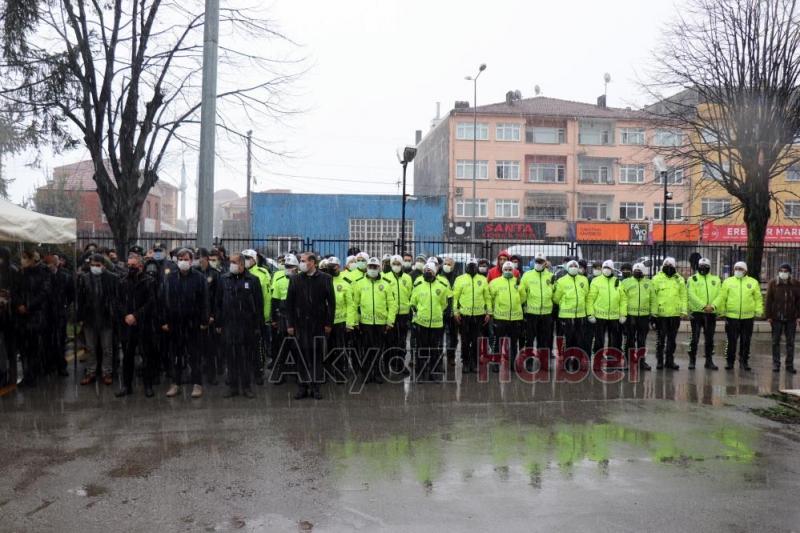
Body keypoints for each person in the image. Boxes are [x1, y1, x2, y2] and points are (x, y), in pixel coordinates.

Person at [286, 252, 335, 400]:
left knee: (316, 356)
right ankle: (302, 386)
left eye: (304, 260)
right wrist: (290, 324)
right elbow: (289, 304)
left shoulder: (325, 279)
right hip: (300, 325)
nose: (301, 263)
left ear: (312, 262)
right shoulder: (295, 279)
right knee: (301, 356)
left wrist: (328, 323)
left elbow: (331, 304)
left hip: (318, 324)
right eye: (300, 260)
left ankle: (315, 387)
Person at [161, 248, 208, 398]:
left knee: (195, 356)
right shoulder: (171, 278)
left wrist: (204, 320)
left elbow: (204, 301)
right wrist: (164, 320)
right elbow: (164, 299)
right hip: (176, 323)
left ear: (192, 260)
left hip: (193, 323)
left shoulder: (199, 278)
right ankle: (176, 384)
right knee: (176, 355)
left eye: (186, 259)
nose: (183, 262)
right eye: (180, 259)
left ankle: (197, 384)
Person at [216, 253, 263, 398]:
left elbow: (259, 304)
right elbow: (218, 302)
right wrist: (219, 323)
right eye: (230, 262)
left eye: (234, 262)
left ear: (242, 264)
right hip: (229, 325)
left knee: (245, 358)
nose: (231, 264)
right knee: (231, 357)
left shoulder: (253, 280)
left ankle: (246, 386)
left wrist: (257, 326)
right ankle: (233, 387)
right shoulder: (224, 279)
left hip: (247, 326)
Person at [348, 257, 397, 384]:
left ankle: (377, 373)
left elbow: (392, 304)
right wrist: (354, 321)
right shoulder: (359, 283)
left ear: (379, 268)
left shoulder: (386, 283)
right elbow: (354, 304)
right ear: (367, 267)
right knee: (366, 349)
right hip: (365, 323)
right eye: (370, 267)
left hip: (381, 324)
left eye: (375, 267)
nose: (372, 269)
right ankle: (367, 374)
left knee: (378, 349)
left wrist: (390, 321)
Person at [116, 249, 157, 397]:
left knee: (147, 356)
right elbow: (119, 302)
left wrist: (136, 315)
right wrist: (126, 316)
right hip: (128, 325)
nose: (130, 268)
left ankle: (148, 385)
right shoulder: (123, 281)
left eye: (133, 265)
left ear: (140, 266)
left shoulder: (149, 281)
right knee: (127, 357)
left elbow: (151, 302)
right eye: (128, 265)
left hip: (143, 325)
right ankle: (127, 386)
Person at [713, 261, 763, 371]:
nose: (738, 271)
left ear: (745, 270)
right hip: (732, 317)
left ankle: (744, 362)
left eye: (740, 269)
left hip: (748, 317)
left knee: (746, 341)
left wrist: (758, 310)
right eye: (736, 268)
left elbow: (758, 298)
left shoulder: (753, 282)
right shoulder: (727, 282)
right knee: (731, 341)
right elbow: (722, 297)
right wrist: (721, 312)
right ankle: (729, 362)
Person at [76, 254, 117, 386]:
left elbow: (116, 298)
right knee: (90, 348)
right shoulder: (84, 278)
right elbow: (80, 299)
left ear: (103, 266)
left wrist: (113, 313)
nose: (94, 268)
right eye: (92, 265)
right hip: (90, 318)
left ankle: (107, 372)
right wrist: (80, 317)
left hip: (105, 317)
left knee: (107, 348)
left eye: (97, 265)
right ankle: (91, 372)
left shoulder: (112, 278)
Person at [15, 250, 52, 387]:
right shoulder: (20, 274)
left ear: (32, 260)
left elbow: (44, 293)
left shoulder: (43, 273)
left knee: (35, 348)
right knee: (24, 348)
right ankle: (27, 375)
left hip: (36, 316)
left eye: (25, 258)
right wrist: (19, 304)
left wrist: (28, 306)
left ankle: (34, 374)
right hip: (22, 317)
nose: (22, 261)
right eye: (22, 258)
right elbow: (15, 291)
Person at [410, 261, 449, 381]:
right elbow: (413, 303)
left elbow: (444, 304)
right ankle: (421, 373)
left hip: (437, 323)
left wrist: (436, 313)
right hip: (422, 323)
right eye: (426, 270)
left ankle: (433, 373)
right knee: (421, 349)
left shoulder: (441, 286)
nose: (428, 272)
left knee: (434, 349)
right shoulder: (418, 285)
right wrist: (419, 315)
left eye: (430, 270)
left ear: (435, 272)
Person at [453, 258, 491, 373]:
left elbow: (487, 297)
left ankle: (474, 362)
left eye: (474, 265)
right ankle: (465, 362)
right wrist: (455, 311)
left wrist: (489, 312)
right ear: (466, 266)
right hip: (464, 316)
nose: (472, 268)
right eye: (470, 265)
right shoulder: (460, 279)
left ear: (477, 267)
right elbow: (455, 297)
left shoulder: (483, 279)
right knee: (465, 340)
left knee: (476, 341)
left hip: (479, 316)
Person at [650, 257, 686, 370]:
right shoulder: (656, 279)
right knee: (660, 340)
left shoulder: (679, 279)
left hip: (675, 315)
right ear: (663, 265)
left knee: (672, 340)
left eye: (671, 265)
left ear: (674, 267)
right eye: (667, 264)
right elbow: (653, 297)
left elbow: (683, 296)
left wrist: (683, 310)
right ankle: (660, 361)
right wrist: (653, 313)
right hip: (661, 315)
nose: (669, 267)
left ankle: (670, 361)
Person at [553, 260, 590, 367]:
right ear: (567, 268)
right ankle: (567, 360)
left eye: (575, 266)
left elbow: (586, 295)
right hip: (566, 316)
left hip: (580, 315)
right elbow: (556, 298)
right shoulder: (561, 281)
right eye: (571, 266)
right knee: (568, 339)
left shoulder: (584, 279)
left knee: (579, 339)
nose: (574, 267)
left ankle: (576, 362)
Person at [587, 259, 627, 359]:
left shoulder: (617, 282)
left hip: (614, 316)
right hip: (600, 316)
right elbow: (590, 299)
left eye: (608, 268)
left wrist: (623, 314)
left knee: (614, 340)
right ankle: (598, 358)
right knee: (599, 340)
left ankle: (612, 358)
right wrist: (590, 314)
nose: (606, 270)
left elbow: (623, 299)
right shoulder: (596, 281)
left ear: (612, 269)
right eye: (604, 267)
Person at [243, 249, 271, 385]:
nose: (246, 260)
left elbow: (266, 297)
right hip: (242, 317)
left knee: (258, 346)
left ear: (254, 259)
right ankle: (244, 372)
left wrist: (265, 316)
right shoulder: (238, 274)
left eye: (248, 258)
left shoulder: (262, 273)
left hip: (257, 316)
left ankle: (258, 372)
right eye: (244, 257)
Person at [489, 261, 524, 371]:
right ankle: (496, 362)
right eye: (506, 269)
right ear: (502, 270)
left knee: (514, 342)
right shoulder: (495, 282)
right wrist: (493, 311)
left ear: (513, 270)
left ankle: (513, 363)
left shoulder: (518, 282)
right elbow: (491, 298)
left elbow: (523, 297)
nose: (508, 271)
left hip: (515, 317)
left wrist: (516, 305)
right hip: (500, 317)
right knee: (498, 341)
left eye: (510, 269)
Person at [686, 257, 721, 370]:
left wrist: (713, 306)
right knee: (694, 338)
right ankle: (692, 360)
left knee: (710, 338)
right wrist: (703, 306)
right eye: (701, 266)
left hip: (711, 313)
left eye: (705, 267)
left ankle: (709, 360)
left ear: (709, 267)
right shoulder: (692, 279)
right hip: (697, 313)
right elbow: (691, 294)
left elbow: (721, 295)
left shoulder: (716, 279)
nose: (703, 269)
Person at [520, 252, 555, 361]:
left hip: (546, 313)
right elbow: (522, 293)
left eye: (541, 261)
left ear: (545, 263)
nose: (538, 263)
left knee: (544, 339)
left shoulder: (550, 276)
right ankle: (529, 360)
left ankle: (543, 361)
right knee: (530, 339)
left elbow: (554, 293)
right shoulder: (527, 275)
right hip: (531, 313)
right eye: (537, 261)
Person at [765, 263, 799, 374]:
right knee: (775, 342)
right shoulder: (773, 283)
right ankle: (776, 364)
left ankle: (789, 365)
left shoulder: (796, 284)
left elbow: (799, 301)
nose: (783, 273)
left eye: (785, 271)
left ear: (789, 273)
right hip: (776, 317)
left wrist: (798, 316)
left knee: (790, 342)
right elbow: (768, 300)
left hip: (791, 318)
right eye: (781, 270)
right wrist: (768, 315)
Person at [270, 253, 299, 383]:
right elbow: (274, 301)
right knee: (282, 347)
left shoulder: (300, 280)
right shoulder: (279, 280)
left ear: (296, 267)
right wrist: (274, 319)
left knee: (297, 347)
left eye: (291, 266)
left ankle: (298, 372)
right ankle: (280, 373)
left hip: (297, 317)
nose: (288, 268)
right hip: (283, 316)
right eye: (286, 266)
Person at [383, 255, 413, 374]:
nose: (396, 265)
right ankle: (386, 365)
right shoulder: (385, 277)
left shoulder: (407, 278)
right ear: (391, 264)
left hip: (403, 315)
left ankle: (399, 365)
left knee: (402, 341)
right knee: (389, 341)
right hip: (390, 315)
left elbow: (410, 293)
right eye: (394, 263)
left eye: (398, 263)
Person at [44, 253, 72, 377]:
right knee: (48, 340)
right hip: (47, 312)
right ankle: (49, 364)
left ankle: (61, 365)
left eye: (51, 263)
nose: (49, 265)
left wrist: (65, 304)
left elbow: (71, 293)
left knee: (60, 340)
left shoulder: (65, 276)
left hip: (60, 311)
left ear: (57, 263)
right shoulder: (45, 276)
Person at [196, 248, 222, 384]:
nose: (199, 260)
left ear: (206, 258)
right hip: (197, 316)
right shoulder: (195, 273)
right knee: (196, 349)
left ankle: (212, 375)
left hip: (210, 317)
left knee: (211, 349)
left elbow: (217, 298)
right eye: (197, 258)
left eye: (201, 257)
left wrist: (213, 315)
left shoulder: (214, 274)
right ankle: (197, 375)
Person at [621, 263, 653, 371]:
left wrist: (653, 314)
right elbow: (622, 298)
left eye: (639, 271)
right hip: (630, 316)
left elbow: (653, 299)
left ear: (643, 272)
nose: (637, 272)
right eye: (635, 270)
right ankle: (628, 362)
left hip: (644, 316)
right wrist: (623, 314)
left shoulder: (649, 283)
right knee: (629, 340)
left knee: (641, 340)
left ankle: (641, 362)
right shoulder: (626, 282)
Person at [325, 257, 352, 378]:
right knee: (326, 348)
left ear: (339, 266)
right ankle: (327, 371)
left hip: (340, 321)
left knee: (340, 348)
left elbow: (350, 304)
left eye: (334, 266)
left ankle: (341, 372)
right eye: (330, 266)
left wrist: (350, 323)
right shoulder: (323, 280)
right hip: (325, 322)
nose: (332, 268)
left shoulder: (345, 281)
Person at [0, 246, 18, 386]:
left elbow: (18, 291)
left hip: (10, 315)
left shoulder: (13, 271)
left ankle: (11, 375)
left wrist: (8, 296)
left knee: (10, 347)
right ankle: (4, 374)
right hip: (3, 314)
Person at [440, 256, 458, 366]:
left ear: (453, 266)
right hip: (441, 312)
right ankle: (439, 356)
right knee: (439, 336)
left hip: (453, 312)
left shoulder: (457, 278)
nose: (447, 266)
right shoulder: (439, 277)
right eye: (445, 263)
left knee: (453, 336)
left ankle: (451, 356)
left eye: (449, 264)